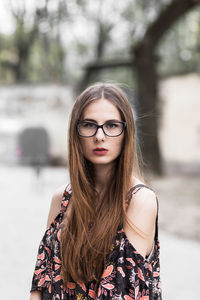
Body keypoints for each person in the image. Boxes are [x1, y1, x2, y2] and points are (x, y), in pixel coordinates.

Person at [30, 83, 162, 300]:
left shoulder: (140, 200)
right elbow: (41, 283)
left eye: (111, 125)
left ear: (126, 132)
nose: (99, 136)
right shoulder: (61, 199)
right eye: (89, 125)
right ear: (76, 132)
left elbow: (121, 292)